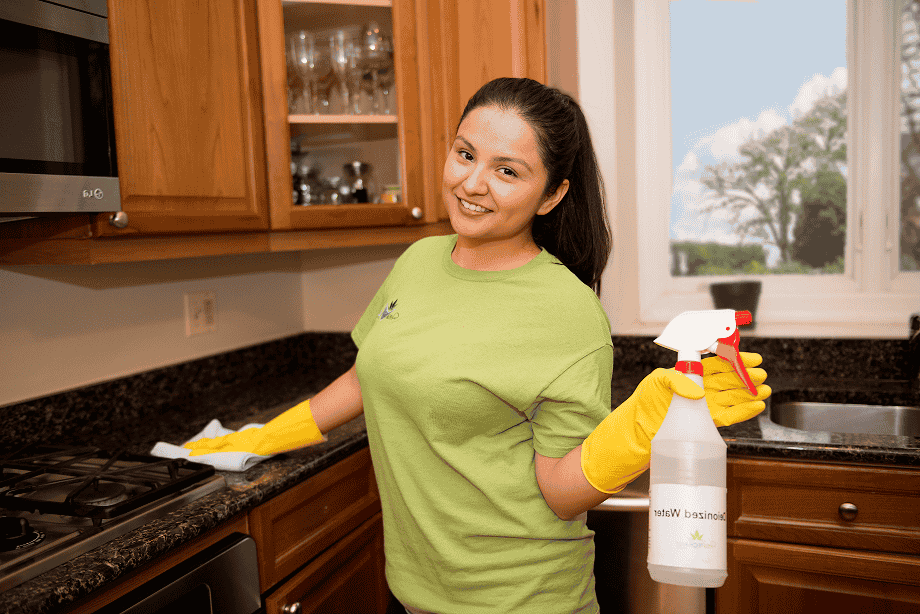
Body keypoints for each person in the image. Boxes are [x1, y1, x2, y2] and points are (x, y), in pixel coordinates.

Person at [185, 77, 771, 614]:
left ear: (551, 195)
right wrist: (265, 437)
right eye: (465, 154)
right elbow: (373, 372)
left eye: (507, 171)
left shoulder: (567, 312)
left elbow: (562, 494)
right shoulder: (418, 262)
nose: (470, 183)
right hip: (418, 593)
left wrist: (650, 422)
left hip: (521, 600)